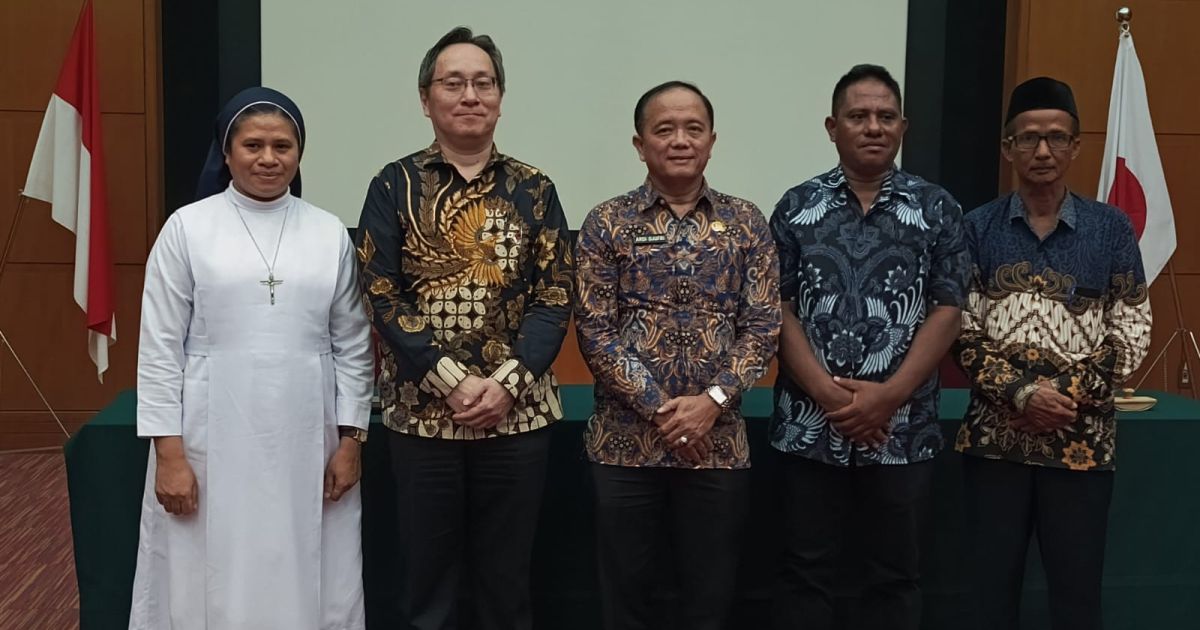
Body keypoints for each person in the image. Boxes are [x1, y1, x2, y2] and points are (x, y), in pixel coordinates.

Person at [130, 87, 374, 629]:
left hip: (308, 438)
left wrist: (352, 441)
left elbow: (354, 345)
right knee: (208, 568)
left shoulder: (327, 230)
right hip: (209, 436)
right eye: (253, 145)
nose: (269, 158)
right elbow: (160, 347)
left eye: (282, 146)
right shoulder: (187, 228)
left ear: (299, 152)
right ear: (227, 151)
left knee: (306, 562)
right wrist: (169, 456)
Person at [354, 26, 573, 630]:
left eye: (484, 82)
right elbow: (380, 289)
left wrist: (505, 383)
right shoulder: (392, 184)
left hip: (518, 414)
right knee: (428, 584)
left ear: (500, 98)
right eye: (454, 83)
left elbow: (554, 297)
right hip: (423, 416)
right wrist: (449, 380)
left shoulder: (536, 188)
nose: (470, 95)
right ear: (426, 99)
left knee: (507, 582)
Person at [768, 64, 969, 630]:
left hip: (902, 428)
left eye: (885, 116)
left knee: (895, 576)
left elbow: (948, 309)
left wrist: (889, 396)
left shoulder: (938, 208)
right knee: (804, 571)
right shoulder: (795, 206)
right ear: (833, 127)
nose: (873, 127)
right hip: (809, 426)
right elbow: (775, 310)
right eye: (858, 116)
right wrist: (831, 397)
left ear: (904, 126)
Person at [574, 80, 781, 630]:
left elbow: (762, 326)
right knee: (627, 601)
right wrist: (665, 411)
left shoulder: (746, 223)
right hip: (624, 446)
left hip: (718, 445)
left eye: (693, 128)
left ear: (712, 140)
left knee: (708, 600)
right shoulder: (606, 222)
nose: (680, 140)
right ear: (640, 144)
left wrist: (710, 403)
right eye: (664, 129)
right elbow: (595, 329)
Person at [953, 76, 1152, 630]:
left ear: (1076, 146)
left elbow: (1133, 326)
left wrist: (1060, 396)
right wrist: (1020, 393)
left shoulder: (1111, 230)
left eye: (1056, 138)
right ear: (1007, 147)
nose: (1042, 151)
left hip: (1080, 444)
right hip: (995, 441)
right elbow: (961, 330)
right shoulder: (976, 227)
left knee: (1076, 594)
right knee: (989, 593)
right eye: (1029, 138)